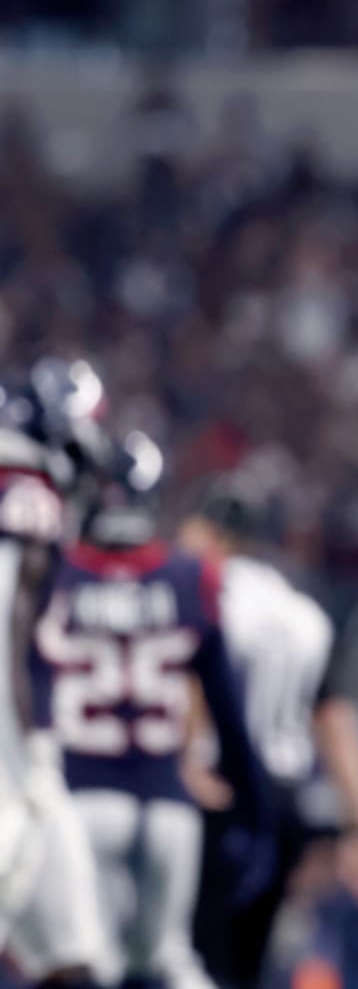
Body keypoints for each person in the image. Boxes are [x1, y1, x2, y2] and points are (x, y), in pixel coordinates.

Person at [35, 430, 273, 989]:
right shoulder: (191, 577)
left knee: (88, 962)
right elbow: (229, 715)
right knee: (170, 960)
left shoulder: (52, 573)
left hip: (80, 800)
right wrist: (256, 813)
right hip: (169, 804)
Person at [178, 479, 358, 989]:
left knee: (188, 958)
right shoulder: (303, 613)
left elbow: (192, 684)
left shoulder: (200, 591)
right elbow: (336, 726)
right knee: (249, 966)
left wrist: (183, 761)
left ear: (210, 531)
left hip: (214, 790)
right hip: (281, 801)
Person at [0, 362, 110, 987]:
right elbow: (4, 624)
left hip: (28, 767)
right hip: (13, 764)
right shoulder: (26, 495)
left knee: (71, 960)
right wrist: (23, 756)